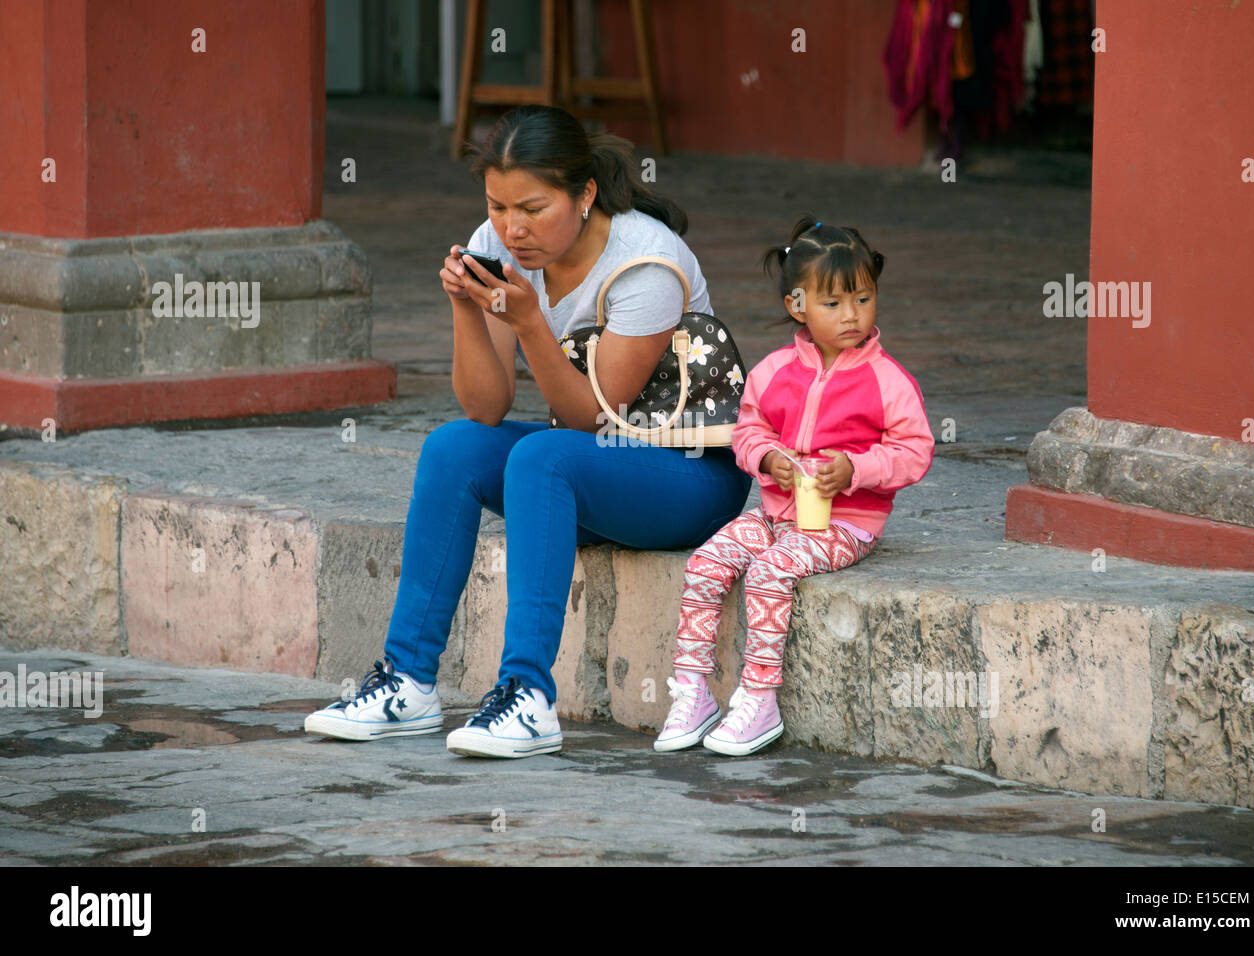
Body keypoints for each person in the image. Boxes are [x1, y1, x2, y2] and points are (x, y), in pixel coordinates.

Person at [303, 106, 751, 757]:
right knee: (453, 447)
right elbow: (486, 407)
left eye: (534, 208)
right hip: (596, 466)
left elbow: (591, 418)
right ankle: (407, 681)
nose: (512, 228)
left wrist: (531, 324)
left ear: (585, 194)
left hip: (688, 477)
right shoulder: (496, 241)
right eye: (498, 205)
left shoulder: (646, 263)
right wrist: (464, 304)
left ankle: (528, 698)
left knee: (544, 457)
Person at [654, 217, 935, 757]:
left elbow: (914, 450)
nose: (852, 315)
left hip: (845, 524)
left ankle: (759, 700)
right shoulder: (775, 370)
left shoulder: (888, 381)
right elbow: (748, 430)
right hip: (776, 514)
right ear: (797, 305)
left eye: (863, 298)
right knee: (706, 563)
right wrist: (767, 458)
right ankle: (692, 694)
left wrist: (857, 470)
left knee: (769, 570)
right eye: (834, 303)